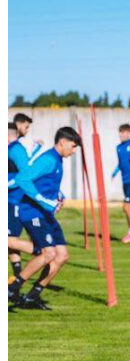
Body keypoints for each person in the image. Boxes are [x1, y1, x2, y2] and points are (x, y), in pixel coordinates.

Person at [8, 127, 82, 310]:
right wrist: (45, 201)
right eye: (72, 147)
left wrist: (58, 195)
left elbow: (45, 183)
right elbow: (24, 179)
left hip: (45, 214)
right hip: (32, 212)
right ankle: (12, 287)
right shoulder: (48, 159)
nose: (73, 152)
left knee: (62, 256)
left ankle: (33, 296)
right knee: (48, 253)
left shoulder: (57, 160)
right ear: (62, 142)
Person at [8, 122, 36, 278]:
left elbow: (25, 175)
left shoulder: (16, 150)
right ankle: (18, 275)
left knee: (8, 240)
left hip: (16, 201)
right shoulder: (9, 149)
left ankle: (43, 252)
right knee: (10, 241)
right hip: (9, 201)